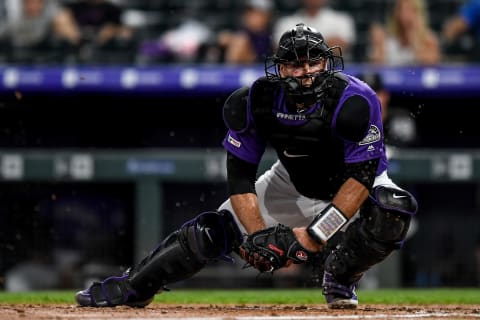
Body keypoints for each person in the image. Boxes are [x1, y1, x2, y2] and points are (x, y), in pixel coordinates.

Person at [75, 23, 418, 309]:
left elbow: (360, 180)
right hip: (290, 183)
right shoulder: (255, 100)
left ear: (326, 63)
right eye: (297, 65)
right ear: (280, 68)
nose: (307, 73)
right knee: (210, 232)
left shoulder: (356, 101)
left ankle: (341, 277)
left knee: (392, 211)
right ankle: (135, 286)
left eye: (314, 63)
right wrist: (258, 238)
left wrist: (315, 236)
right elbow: (240, 176)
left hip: (351, 186)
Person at [273, 0, 356, 60]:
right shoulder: (286, 22)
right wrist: (325, 44)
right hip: (296, 70)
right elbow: (281, 49)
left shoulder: (342, 19)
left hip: (335, 69)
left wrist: (300, 45)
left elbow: (339, 48)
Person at [368, 0, 441, 65]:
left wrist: (415, 41)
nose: (405, 14)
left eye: (410, 10)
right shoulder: (386, 38)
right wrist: (378, 48)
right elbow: (376, 67)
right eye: (401, 9)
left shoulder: (428, 39)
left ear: (418, 13)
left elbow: (431, 64)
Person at [216, 0, 274, 64]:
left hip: (260, 66)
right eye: (249, 13)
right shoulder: (243, 31)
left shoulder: (270, 34)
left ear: (267, 16)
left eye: (256, 14)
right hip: (242, 66)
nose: (250, 16)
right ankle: (230, 73)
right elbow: (224, 38)